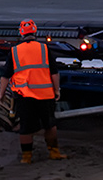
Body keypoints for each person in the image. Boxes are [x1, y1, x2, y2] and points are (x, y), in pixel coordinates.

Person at [10, 20, 64, 163]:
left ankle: (26, 157)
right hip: (45, 94)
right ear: (35, 32)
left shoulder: (15, 50)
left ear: (21, 33)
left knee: (26, 127)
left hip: (24, 95)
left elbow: (5, 75)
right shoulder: (44, 49)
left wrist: (2, 94)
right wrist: (56, 90)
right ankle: (54, 153)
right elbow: (54, 73)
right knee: (50, 124)